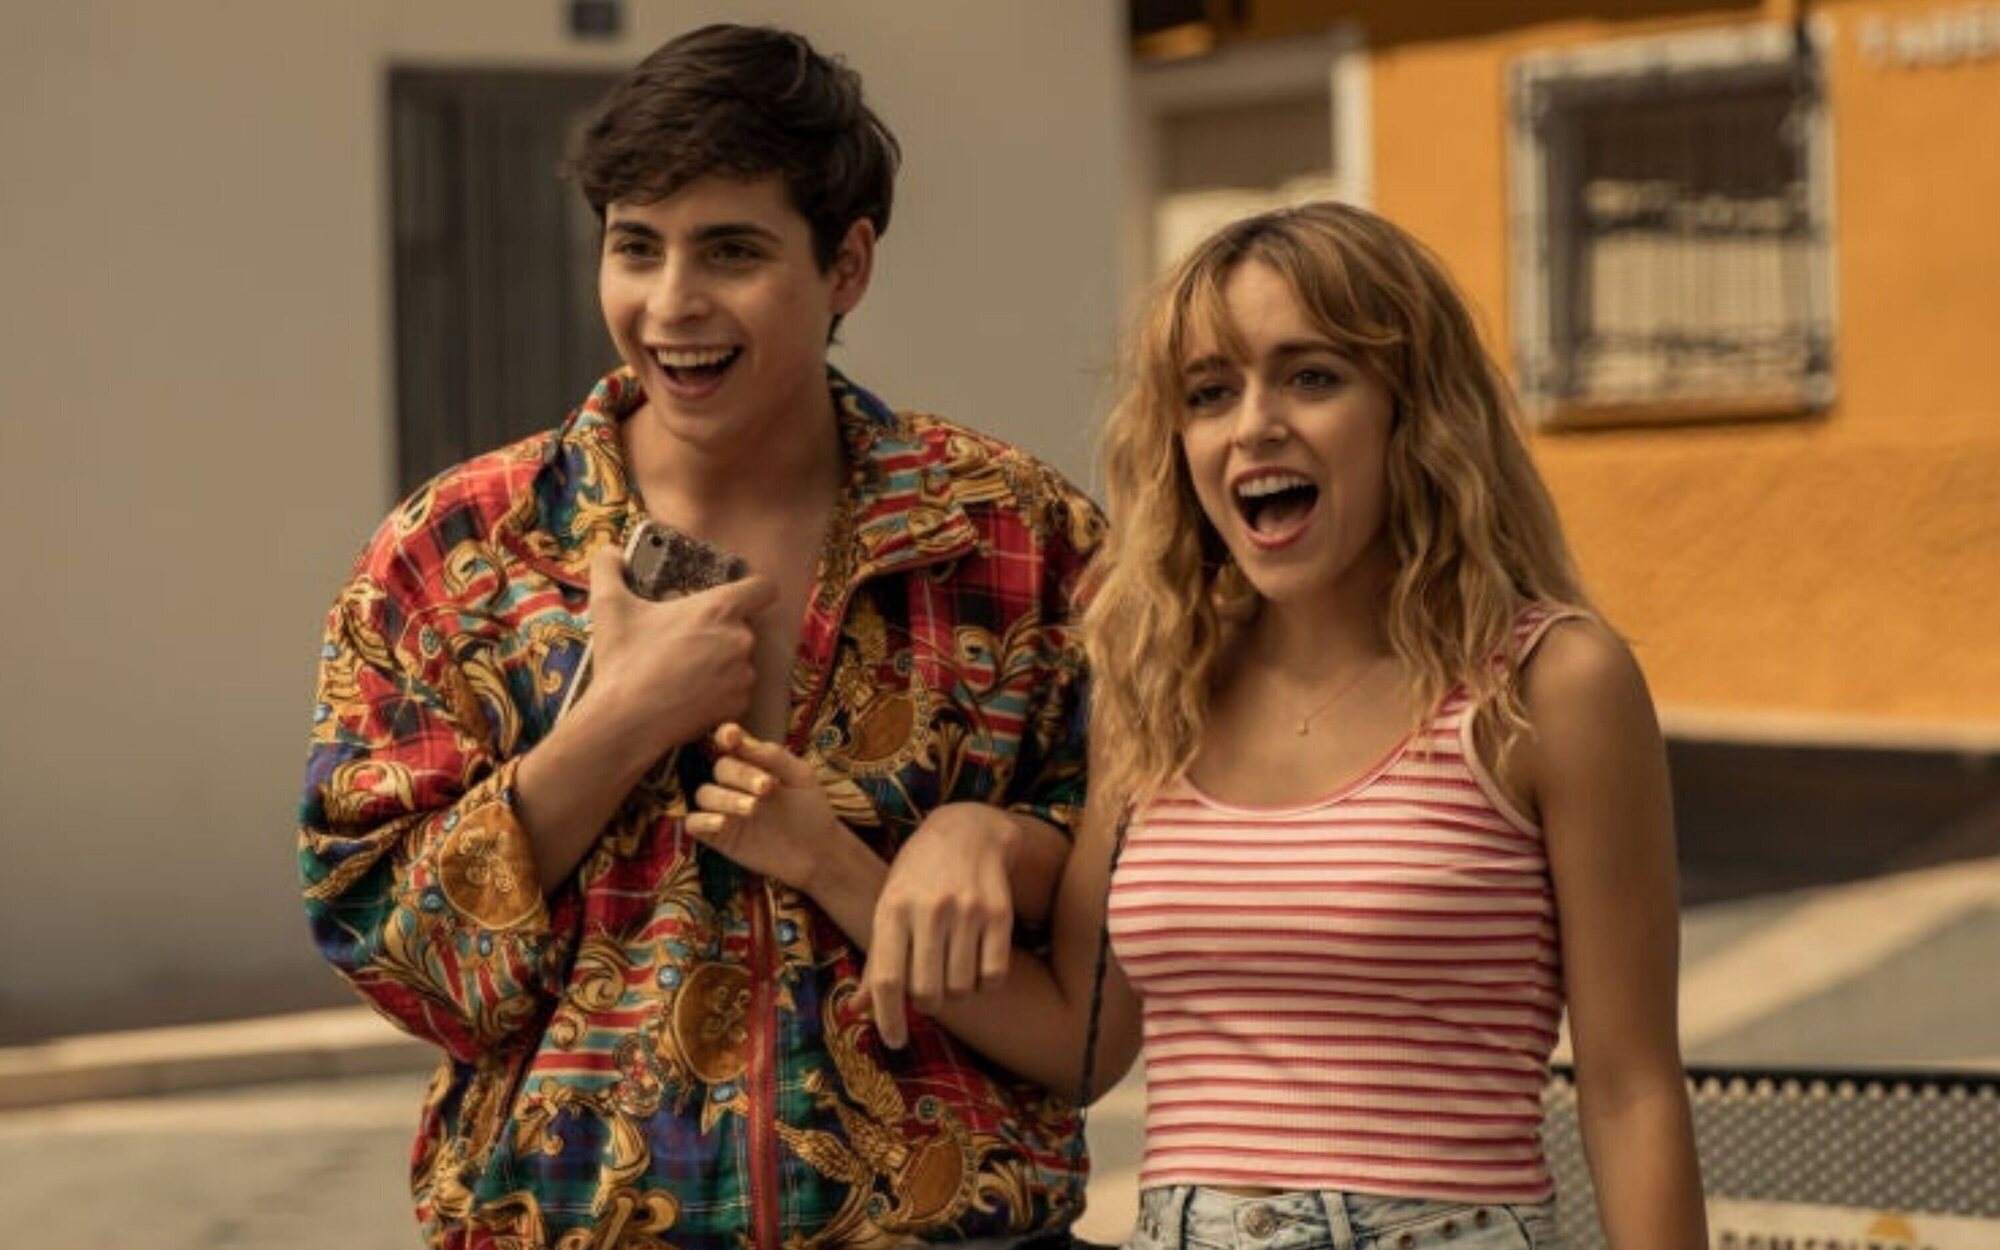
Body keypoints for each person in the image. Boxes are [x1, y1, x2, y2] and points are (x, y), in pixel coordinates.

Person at [691, 202, 1708, 1250]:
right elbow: (1077, 1038)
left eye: (1311, 376)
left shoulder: (1548, 683)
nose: (1254, 424)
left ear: (1413, 411)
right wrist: (832, 861)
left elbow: (1630, 1090)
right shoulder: (1160, 688)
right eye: (1211, 392)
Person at [299, 24, 1102, 1250]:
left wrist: (999, 837)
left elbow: (1141, 871)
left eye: (731, 250)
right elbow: (387, 945)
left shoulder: (1016, 539)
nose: (671, 303)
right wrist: (618, 723)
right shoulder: (459, 550)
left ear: (846, 264)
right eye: (636, 246)